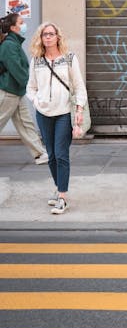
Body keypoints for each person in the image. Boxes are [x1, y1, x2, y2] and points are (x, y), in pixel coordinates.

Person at [27, 22, 87, 215]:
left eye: (51, 34)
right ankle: (58, 186)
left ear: (58, 37)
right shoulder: (36, 60)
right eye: (45, 34)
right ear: (41, 38)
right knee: (51, 156)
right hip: (43, 113)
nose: (48, 37)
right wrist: (37, 101)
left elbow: (79, 86)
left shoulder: (69, 59)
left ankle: (62, 197)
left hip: (63, 113)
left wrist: (79, 109)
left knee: (61, 155)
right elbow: (31, 87)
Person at [0, 13, 48, 165]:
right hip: (9, 92)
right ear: (14, 28)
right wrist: (31, 86)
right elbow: (17, 69)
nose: (24, 24)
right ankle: (40, 153)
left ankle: (40, 154)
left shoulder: (13, 43)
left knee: (26, 124)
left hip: (16, 91)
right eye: (21, 22)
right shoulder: (9, 45)